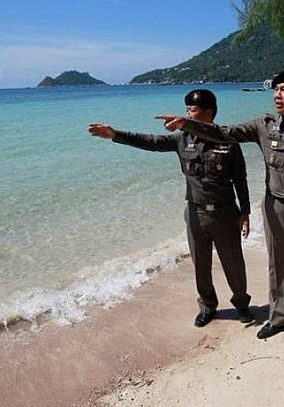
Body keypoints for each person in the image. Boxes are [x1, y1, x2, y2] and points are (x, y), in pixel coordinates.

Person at [156, 67, 284, 362]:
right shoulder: (264, 125)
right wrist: (188, 124)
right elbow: (224, 132)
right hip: (275, 206)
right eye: (276, 90)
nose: (278, 95)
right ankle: (279, 318)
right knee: (278, 267)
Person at [88, 89, 253, 327]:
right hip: (195, 213)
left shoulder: (227, 139)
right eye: (186, 109)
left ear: (209, 112)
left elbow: (240, 178)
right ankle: (208, 307)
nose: (186, 114)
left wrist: (245, 212)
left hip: (225, 213)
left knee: (233, 263)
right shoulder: (182, 139)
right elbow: (151, 142)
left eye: (192, 110)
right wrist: (115, 134)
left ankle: (241, 304)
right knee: (201, 265)